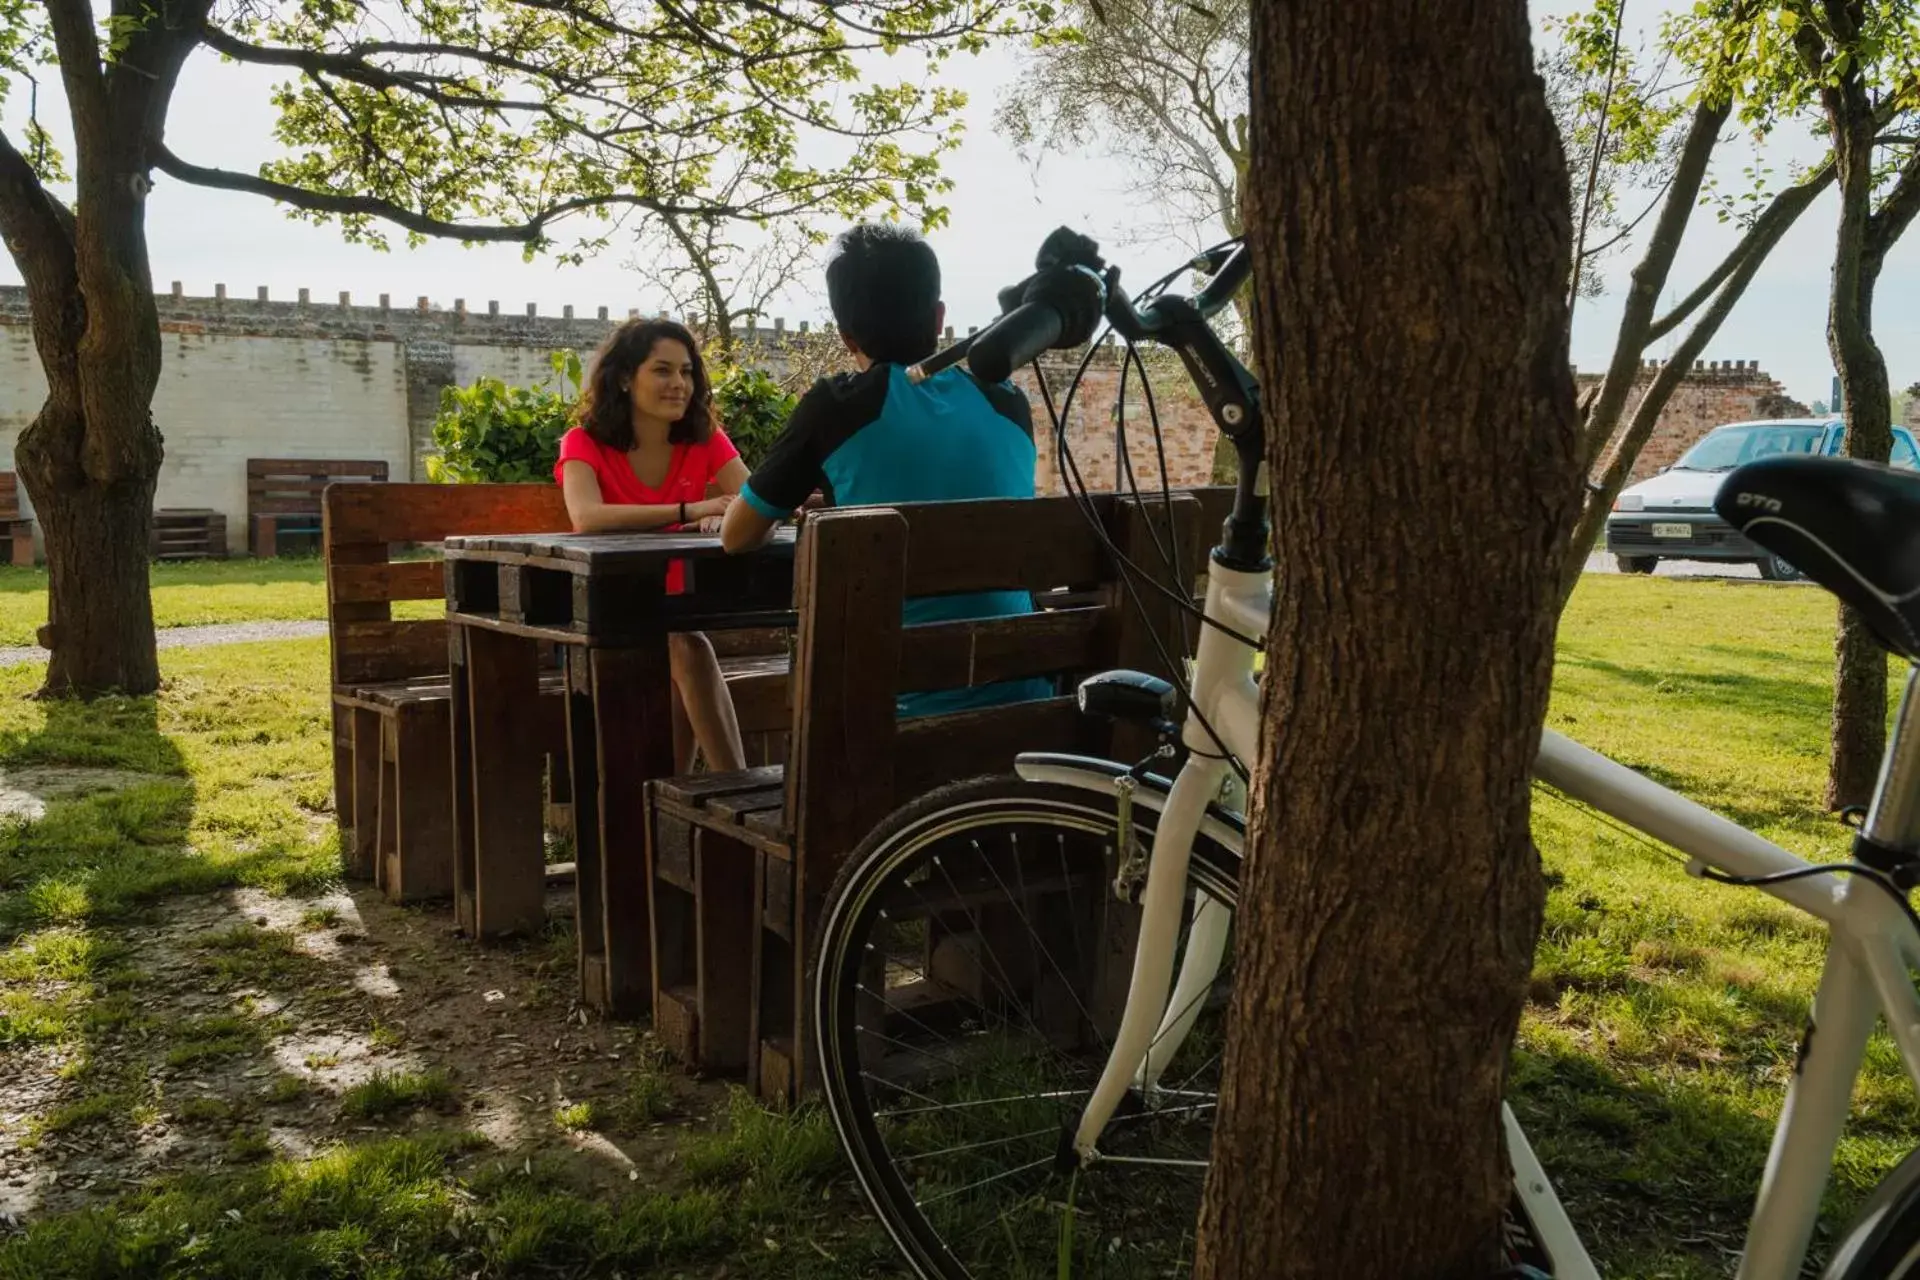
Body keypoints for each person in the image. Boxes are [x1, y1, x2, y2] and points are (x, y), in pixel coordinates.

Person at [720, 223, 1052, 717]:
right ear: (939, 317)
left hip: (886, 716)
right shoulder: (1008, 403)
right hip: (1023, 700)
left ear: (845, 334)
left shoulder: (836, 408)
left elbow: (736, 536)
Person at [556, 318, 748, 773]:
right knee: (688, 648)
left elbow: (753, 500)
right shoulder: (582, 442)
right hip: (599, 618)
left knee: (684, 648)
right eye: (662, 370)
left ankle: (667, 810)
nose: (679, 384)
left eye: (686, 372)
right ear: (624, 377)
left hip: (676, 613)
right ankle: (737, 787)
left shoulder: (703, 437)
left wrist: (727, 512)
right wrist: (691, 510)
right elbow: (586, 517)